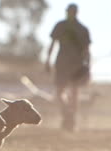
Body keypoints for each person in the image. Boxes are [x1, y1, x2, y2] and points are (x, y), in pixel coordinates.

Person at [45, 3, 91, 131]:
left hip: (72, 64)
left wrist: (88, 66)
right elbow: (52, 44)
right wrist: (48, 60)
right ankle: (68, 115)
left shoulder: (79, 28)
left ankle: (70, 119)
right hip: (65, 64)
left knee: (72, 91)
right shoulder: (71, 27)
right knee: (63, 92)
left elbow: (87, 50)